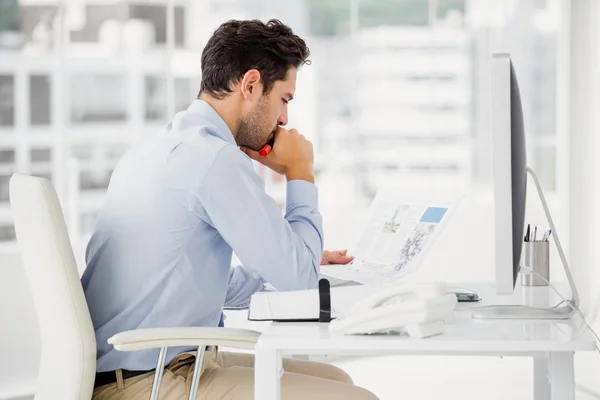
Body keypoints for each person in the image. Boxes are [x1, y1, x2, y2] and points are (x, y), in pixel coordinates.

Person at [82, 18, 379, 400]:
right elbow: (300, 284)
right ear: (251, 84)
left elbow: (199, 283)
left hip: (147, 365)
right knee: (358, 399)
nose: (284, 119)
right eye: (284, 99)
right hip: (148, 381)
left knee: (338, 380)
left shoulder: (161, 147)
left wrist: (292, 255)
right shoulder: (215, 160)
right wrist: (299, 171)